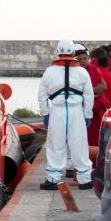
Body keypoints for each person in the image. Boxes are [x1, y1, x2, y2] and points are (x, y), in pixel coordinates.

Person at [38, 39, 94, 190]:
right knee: (80, 145)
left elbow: (42, 95)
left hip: (57, 111)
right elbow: (89, 95)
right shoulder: (82, 72)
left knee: (56, 144)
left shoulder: (49, 71)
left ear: (58, 52)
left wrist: (45, 113)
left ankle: (53, 179)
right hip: (76, 111)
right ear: (73, 52)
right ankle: (85, 179)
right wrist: (88, 115)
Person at [75, 45, 110, 146]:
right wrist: (89, 93)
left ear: (88, 58)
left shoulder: (94, 70)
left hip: (95, 110)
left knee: (94, 138)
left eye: (85, 58)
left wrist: (85, 93)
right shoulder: (73, 72)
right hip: (79, 109)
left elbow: (102, 88)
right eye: (80, 59)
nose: (83, 61)